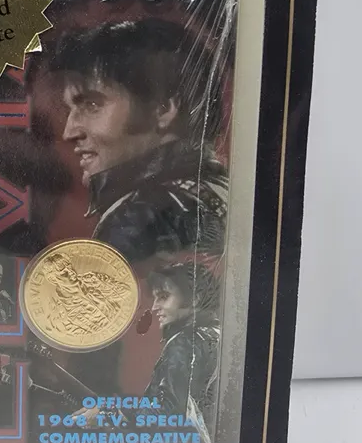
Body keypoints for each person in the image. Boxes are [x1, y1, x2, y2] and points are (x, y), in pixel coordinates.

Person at [49, 18, 229, 265]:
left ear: (163, 109)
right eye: (69, 109)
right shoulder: (221, 187)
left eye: (92, 105)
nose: (69, 132)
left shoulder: (136, 219)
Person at [146, 262, 222, 433]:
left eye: (163, 296)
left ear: (195, 298)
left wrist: (112, 413)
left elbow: (168, 414)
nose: (154, 307)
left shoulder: (184, 342)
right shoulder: (217, 335)